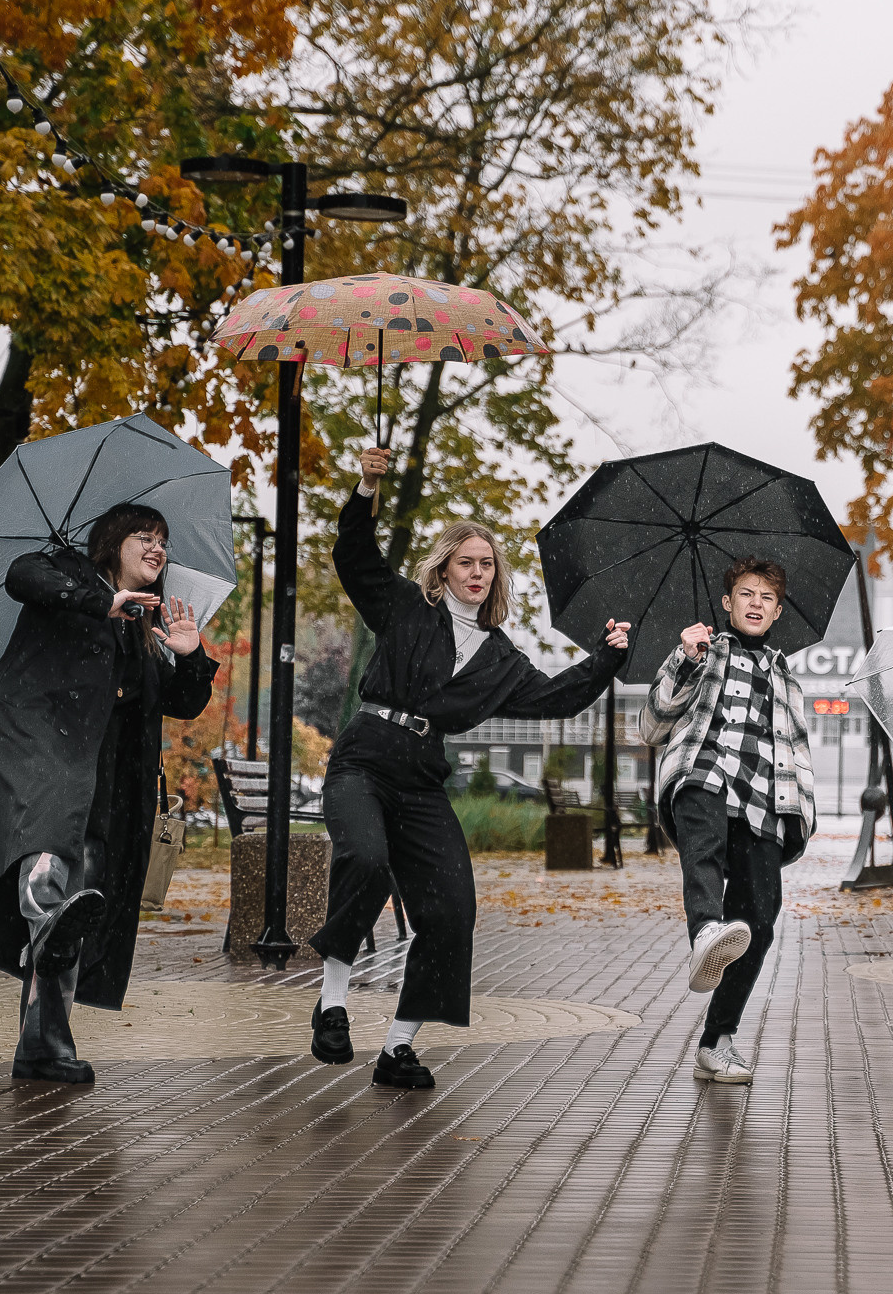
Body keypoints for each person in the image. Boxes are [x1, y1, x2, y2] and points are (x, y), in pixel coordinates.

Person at [310, 447, 629, 1090]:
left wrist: (606, 658)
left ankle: (398, 1049)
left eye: (487, 564)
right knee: (366, 860)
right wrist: (367, 487)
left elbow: (555, 698)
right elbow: (355, 557)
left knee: (453, 909)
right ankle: (332, 1001)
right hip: (365, 758)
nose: (477, 572)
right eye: (466, 562)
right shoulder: (407, 607)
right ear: (444, 569)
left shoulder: (500, 658)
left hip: (422, 778)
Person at [0, 504, 219, 1083]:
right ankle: (47, 917)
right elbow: (21, 576)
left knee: (80, 898)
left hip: (103, 783)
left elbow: (180, 703)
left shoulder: (143, 625)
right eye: (144, 537)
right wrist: (99, 600)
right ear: (111, 542)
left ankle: (44, 1045)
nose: (157, 548)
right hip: (39, 747)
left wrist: (190, 655)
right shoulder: (68, 572)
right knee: (49, 859)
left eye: (163, 540)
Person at [642, 558, 816, 1084]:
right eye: (746, 593)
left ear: (777, 611)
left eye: (767, 597)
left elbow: (799, 753)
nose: (756, 603)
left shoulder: (786, 677)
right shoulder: (702, 653)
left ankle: (716, 1040)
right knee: (704, 847)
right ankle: (705, 932)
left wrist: (801, 819)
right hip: (704, 775)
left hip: (764, 800)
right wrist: (683, 659)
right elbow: (652, 726)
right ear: (727, 602)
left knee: (760, 921)